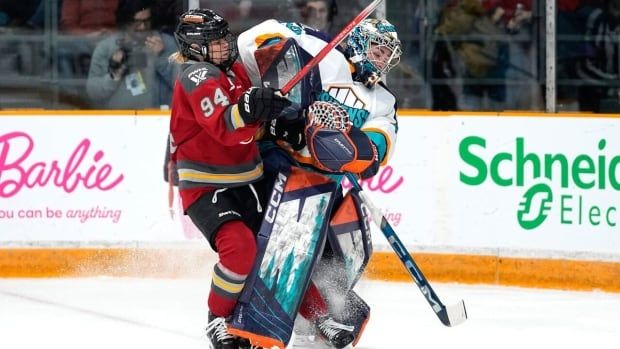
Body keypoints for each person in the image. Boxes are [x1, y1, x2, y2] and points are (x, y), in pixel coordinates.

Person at [237, 17, 402, 348]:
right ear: (358, 43)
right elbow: (251, 39)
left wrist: (352, 150)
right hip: (277, 158)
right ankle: (240, 314)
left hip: (323, 183)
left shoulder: (383, 102)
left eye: (388, 56)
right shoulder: (322, 51)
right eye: (378, 51)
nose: (382, 61)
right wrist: (277, 49)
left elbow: (380, 146)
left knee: (331, 254)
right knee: (274, 242)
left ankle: (322, 314)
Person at [167, 8, 292, 349]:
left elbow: (254, 122)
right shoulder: (196, 75)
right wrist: (251, 109)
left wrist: (276, 114)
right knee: (239, 248)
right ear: (197, 47)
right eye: (217, 40)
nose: (226, 43)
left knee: (275, 248)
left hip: (248, 179)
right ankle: (218, 318)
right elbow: (227, 126)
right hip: (207, 185)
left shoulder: (233, 69)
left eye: (224, 37)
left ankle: (284, 314)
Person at [85, 0, 177, 109]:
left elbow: (185, 85)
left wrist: (162, 58)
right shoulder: (106, 47)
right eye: (136, 23)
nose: (142, 27)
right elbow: (93, 94)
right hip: (118, 121)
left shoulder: (166, 44)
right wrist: (114, 75)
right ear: (125, 23)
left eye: (146, 21)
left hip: (157, 119)